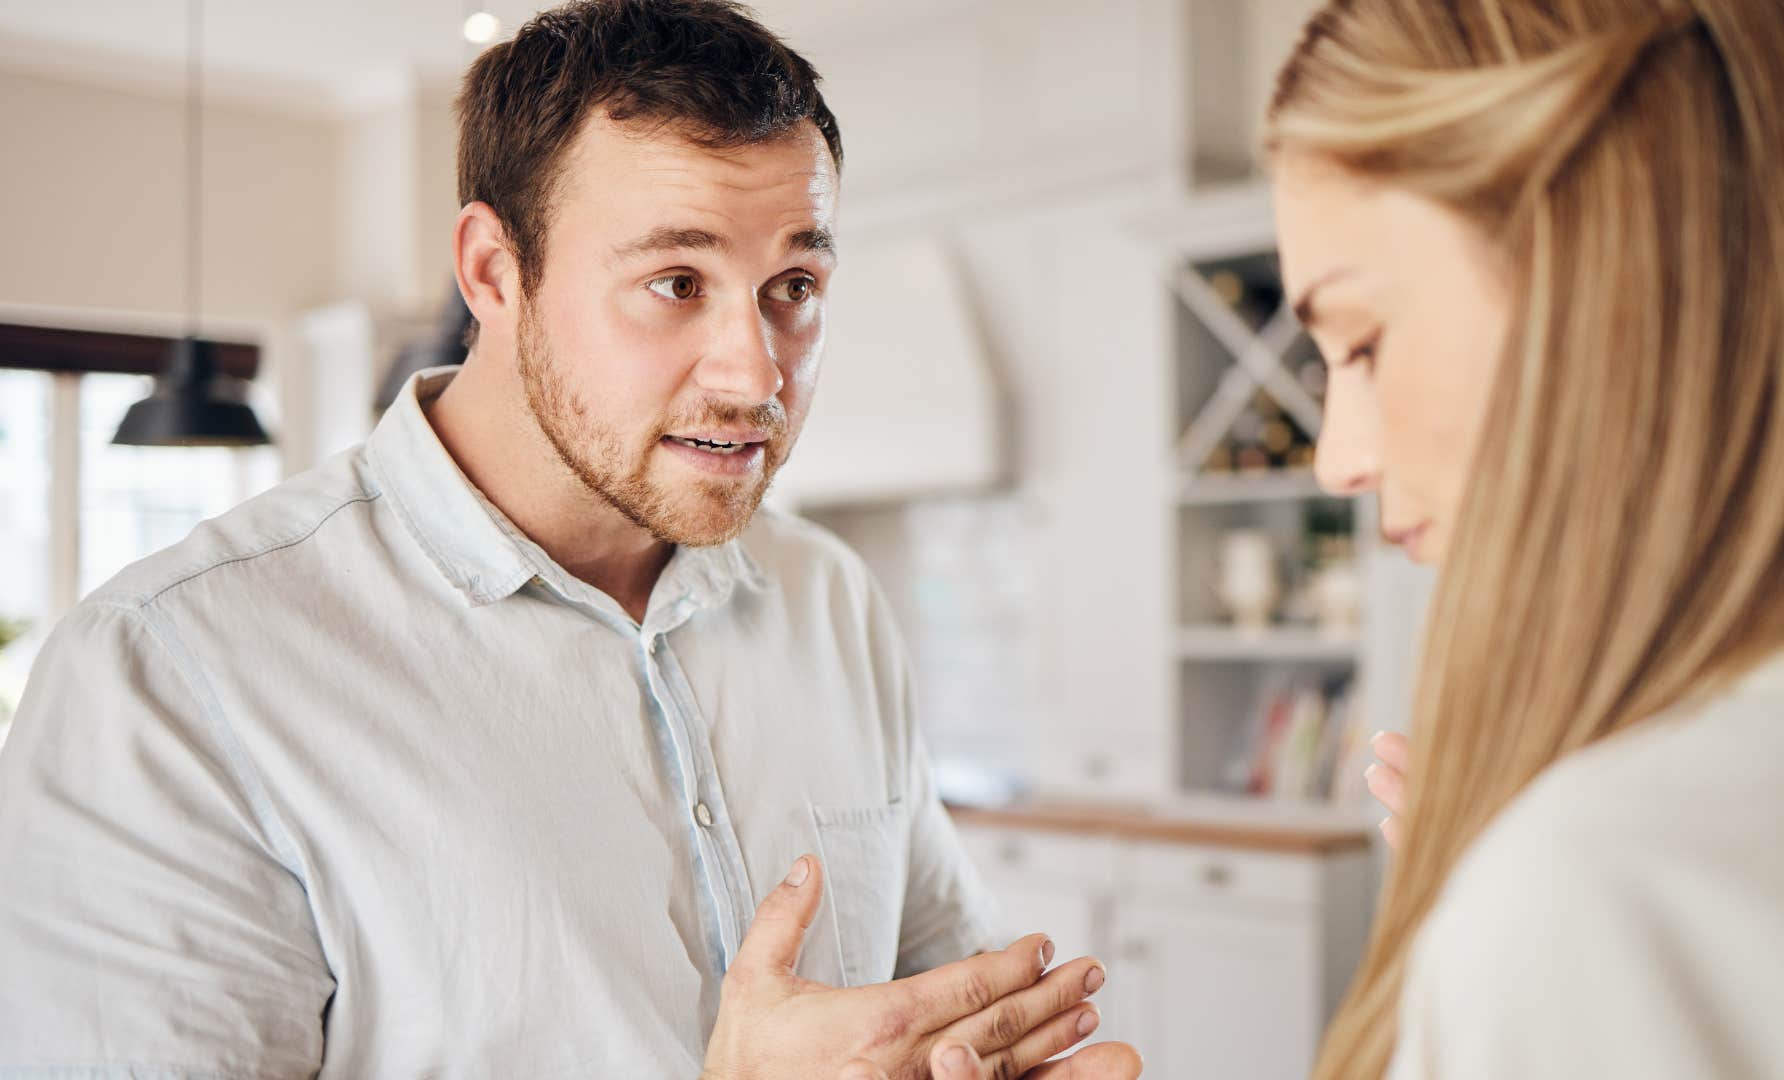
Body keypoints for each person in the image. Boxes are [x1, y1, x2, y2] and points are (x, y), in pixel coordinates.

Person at [0, 2, 1142, 1077]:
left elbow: (939, 998)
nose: (756, 374)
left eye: (794, 283)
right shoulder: (168, 678)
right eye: (676, 281)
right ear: (496, 273)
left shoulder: (829, 598)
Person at [1256, 1, 1784, 1078]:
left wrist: (1528, 917)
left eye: (1363, 343)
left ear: (1605, 274)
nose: (1337, 459)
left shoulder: (1614, 888)